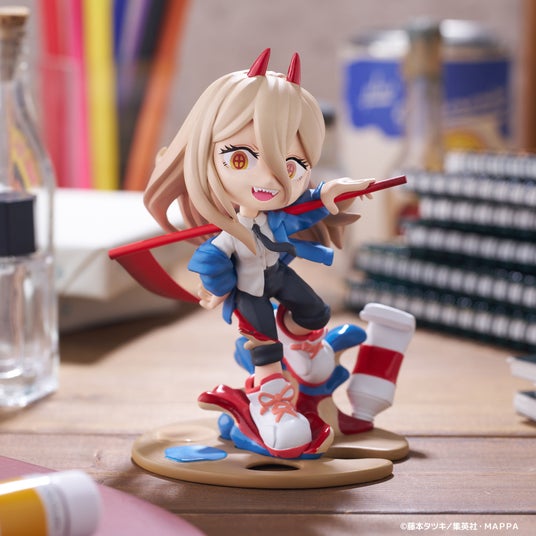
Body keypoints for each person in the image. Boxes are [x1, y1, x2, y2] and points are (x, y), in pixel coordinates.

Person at [143, 48, 372, 457]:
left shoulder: (277, 216)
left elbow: (307, 209)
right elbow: (212, 263)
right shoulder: (227, 236)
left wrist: (330, 192)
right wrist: (216, 289)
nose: (269, 177)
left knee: (315, 312)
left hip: (278, 276)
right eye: (240, 158)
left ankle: (301, 346)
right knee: (263, 346)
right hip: (249, 292)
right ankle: (272, 402)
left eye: (292, 164)